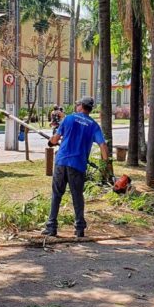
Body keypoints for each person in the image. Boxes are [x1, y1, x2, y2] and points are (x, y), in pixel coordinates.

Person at [42, 97, 109, 238]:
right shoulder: (94, 125)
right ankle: (79, 229)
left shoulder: (68, 119)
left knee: (56, 194)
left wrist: (51, 142)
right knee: (77, 196)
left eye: (77, 104)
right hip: (78, 165)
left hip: (62, 162)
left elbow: (55, 139)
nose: (76, 106)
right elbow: (103, 145)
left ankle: (51, 227)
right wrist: (105, 165)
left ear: (81, 106)